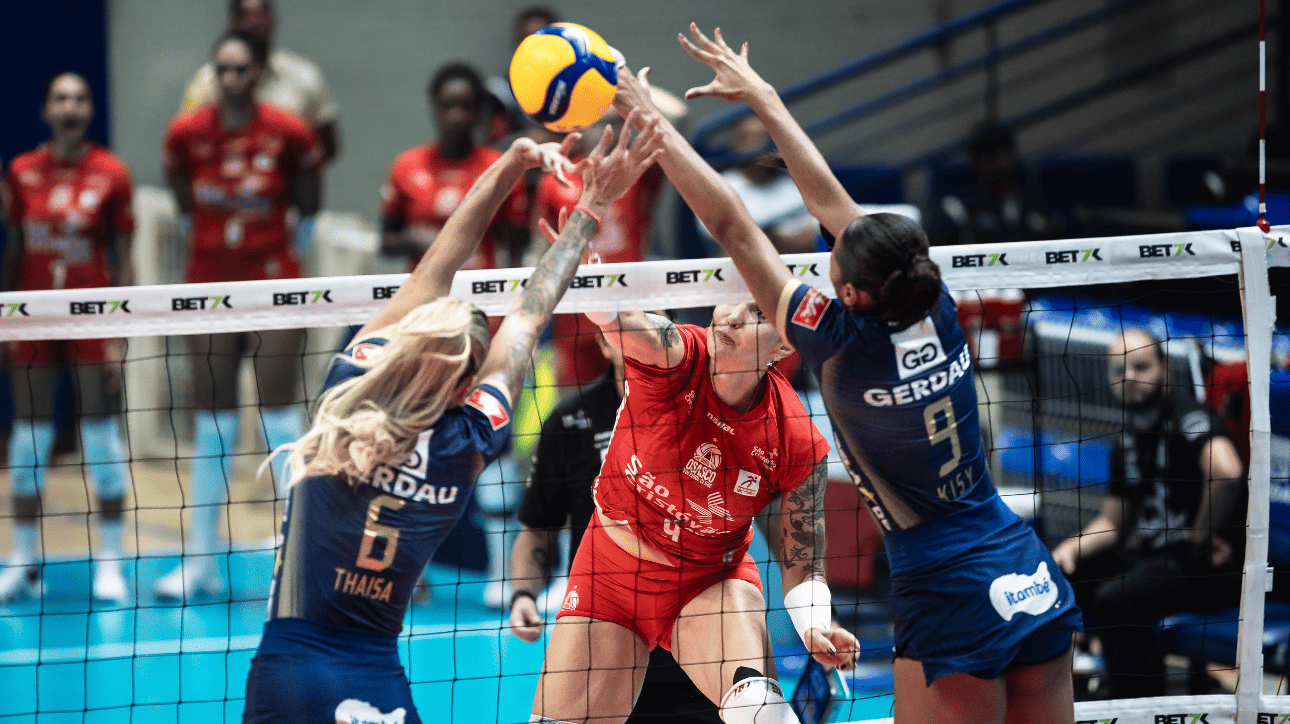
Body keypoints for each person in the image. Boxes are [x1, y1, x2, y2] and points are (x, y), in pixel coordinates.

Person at [612, 25, 1085, 723]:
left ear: (854, 293)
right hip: (1021, 561)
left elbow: (734, 226)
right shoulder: (936, 302)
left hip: (945, 584)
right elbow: (839, 209)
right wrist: (765, 98)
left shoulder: (839, 343)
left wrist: (648, 121)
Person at [240, 112, 664, 724]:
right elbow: (530, 314)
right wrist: (590, 207)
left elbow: (438, 263)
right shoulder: (468, 438)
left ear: (404, 343)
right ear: (467, 385)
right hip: (375, 675)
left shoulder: (350, 389)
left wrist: (510, 164)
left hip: (289, 669)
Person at [529, 210, 858, 722]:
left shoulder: (796, 438)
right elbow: (624, 323)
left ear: (787, 342)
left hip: (708, 580)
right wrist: (589, 278)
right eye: (732, 296)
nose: (730, 317)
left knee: (759, 710)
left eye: (755, 313)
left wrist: (815, 622)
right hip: (609, 572)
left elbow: (802, 556)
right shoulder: (677, 357)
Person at [157, 30, 322, 599]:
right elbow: (180, 195)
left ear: (258, 74)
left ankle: (299, 557)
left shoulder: (288, 130)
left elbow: (310, 198)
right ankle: (200, 559)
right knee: (213, 422)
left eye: (241, 69)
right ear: (213, 73)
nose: (231, 79)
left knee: (281, 414)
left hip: (275, 281)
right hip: (208, 283)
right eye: (222, 69)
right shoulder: (186, 133)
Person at [509, 324, 723, 723]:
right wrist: (523, 594)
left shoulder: (707, 409)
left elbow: (765, 511)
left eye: (656, 329)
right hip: (606, 627)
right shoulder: (571, 420)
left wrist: (809, 596)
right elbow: (539, 526)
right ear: (605, 346)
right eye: (624, 333)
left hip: (696, 624)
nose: (640, 339)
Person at [1050, 329, 1245, 698]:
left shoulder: (1188, 417)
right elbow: (1112, 521)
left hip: (1207, 564)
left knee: (1116, 600)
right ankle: (1086, 678)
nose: (1129, 377)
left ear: (1165, 370)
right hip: (1159, 559)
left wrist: (1198, 536)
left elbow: (1228, 471)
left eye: (1141, 366)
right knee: (1067, 576)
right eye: (1119, 370)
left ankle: (1134, 705)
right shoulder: (1126, 440)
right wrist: (1068, 550)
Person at [0, 71, 135, 603]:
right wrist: (6, 318)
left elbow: (122, 258)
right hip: (33, 317)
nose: (70, 106)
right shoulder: (21, 171)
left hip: (92, 319)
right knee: (30, 440)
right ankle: (24, 560)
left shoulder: (111, 173)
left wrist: (120, 333)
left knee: (101, 439)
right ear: (45, 110)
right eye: (60, 97)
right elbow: (13, 250)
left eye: (80, 97)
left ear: (90, 109)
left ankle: (111, 559)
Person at [381, 62, 528, 272]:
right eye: (447, 106)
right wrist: (413, 240)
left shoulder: (500, 167)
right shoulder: (407, 164)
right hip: (420, 294)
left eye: (465, 106)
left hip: (479, 290)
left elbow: (516, 246)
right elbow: (387, 241)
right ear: (434, 107)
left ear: (479, 110)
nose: (455, 116)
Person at [180, 0, 341, 166]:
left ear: (273, 19)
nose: (254, 21)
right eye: (245, 14)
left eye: (260, 14)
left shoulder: (304, 76)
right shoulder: (205, 81)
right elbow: (185, 141)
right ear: (232, 21)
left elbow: (327, 144)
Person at [927, 123, 1062, 247]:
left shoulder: (1037, 200)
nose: (996, 164)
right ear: (976, 161)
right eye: (987, 156)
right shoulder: (958, 209)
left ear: (1012, 154)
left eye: (1000, 154)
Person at [697, 115, 817, 254]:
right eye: (746, 138)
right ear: (737, 142)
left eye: (761, 139)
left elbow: (815, 235)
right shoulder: (719, 185)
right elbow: (718, 238)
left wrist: (777, 241)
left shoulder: (794, 186)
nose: (754, 146)